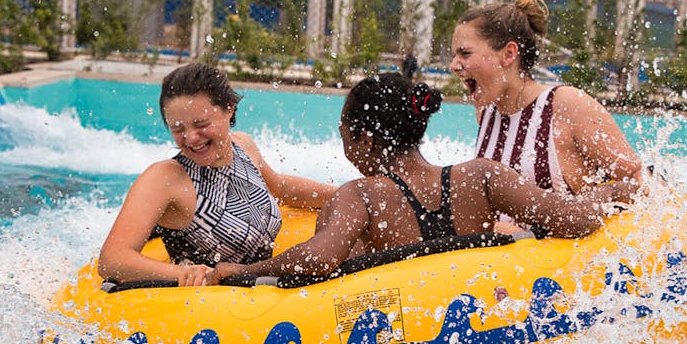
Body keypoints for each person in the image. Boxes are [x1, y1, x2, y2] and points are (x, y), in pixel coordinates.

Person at [208, 74, 637, 282]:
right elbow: (573, 218)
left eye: (344, 135)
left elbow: (315, 260)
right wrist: (618, 190)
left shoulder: (360, 197)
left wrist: (240, 271)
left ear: (364, 139)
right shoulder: (481, 178)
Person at [97, 62, 334, 286]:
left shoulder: (243, 146)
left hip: (260, 291)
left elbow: (281, 188)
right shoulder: (165, 178)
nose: (190, 138)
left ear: (229, 108)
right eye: (178, 129)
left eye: (200, 124)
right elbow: (112, 260)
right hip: (209, 309)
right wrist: (184, 273)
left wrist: (345, 194)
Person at [450, 0, 644, 197]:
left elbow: (638, 182)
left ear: (508, 54)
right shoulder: (487, 112)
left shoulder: (565, 105)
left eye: (465, 53)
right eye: (454, 55)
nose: (453, 65)